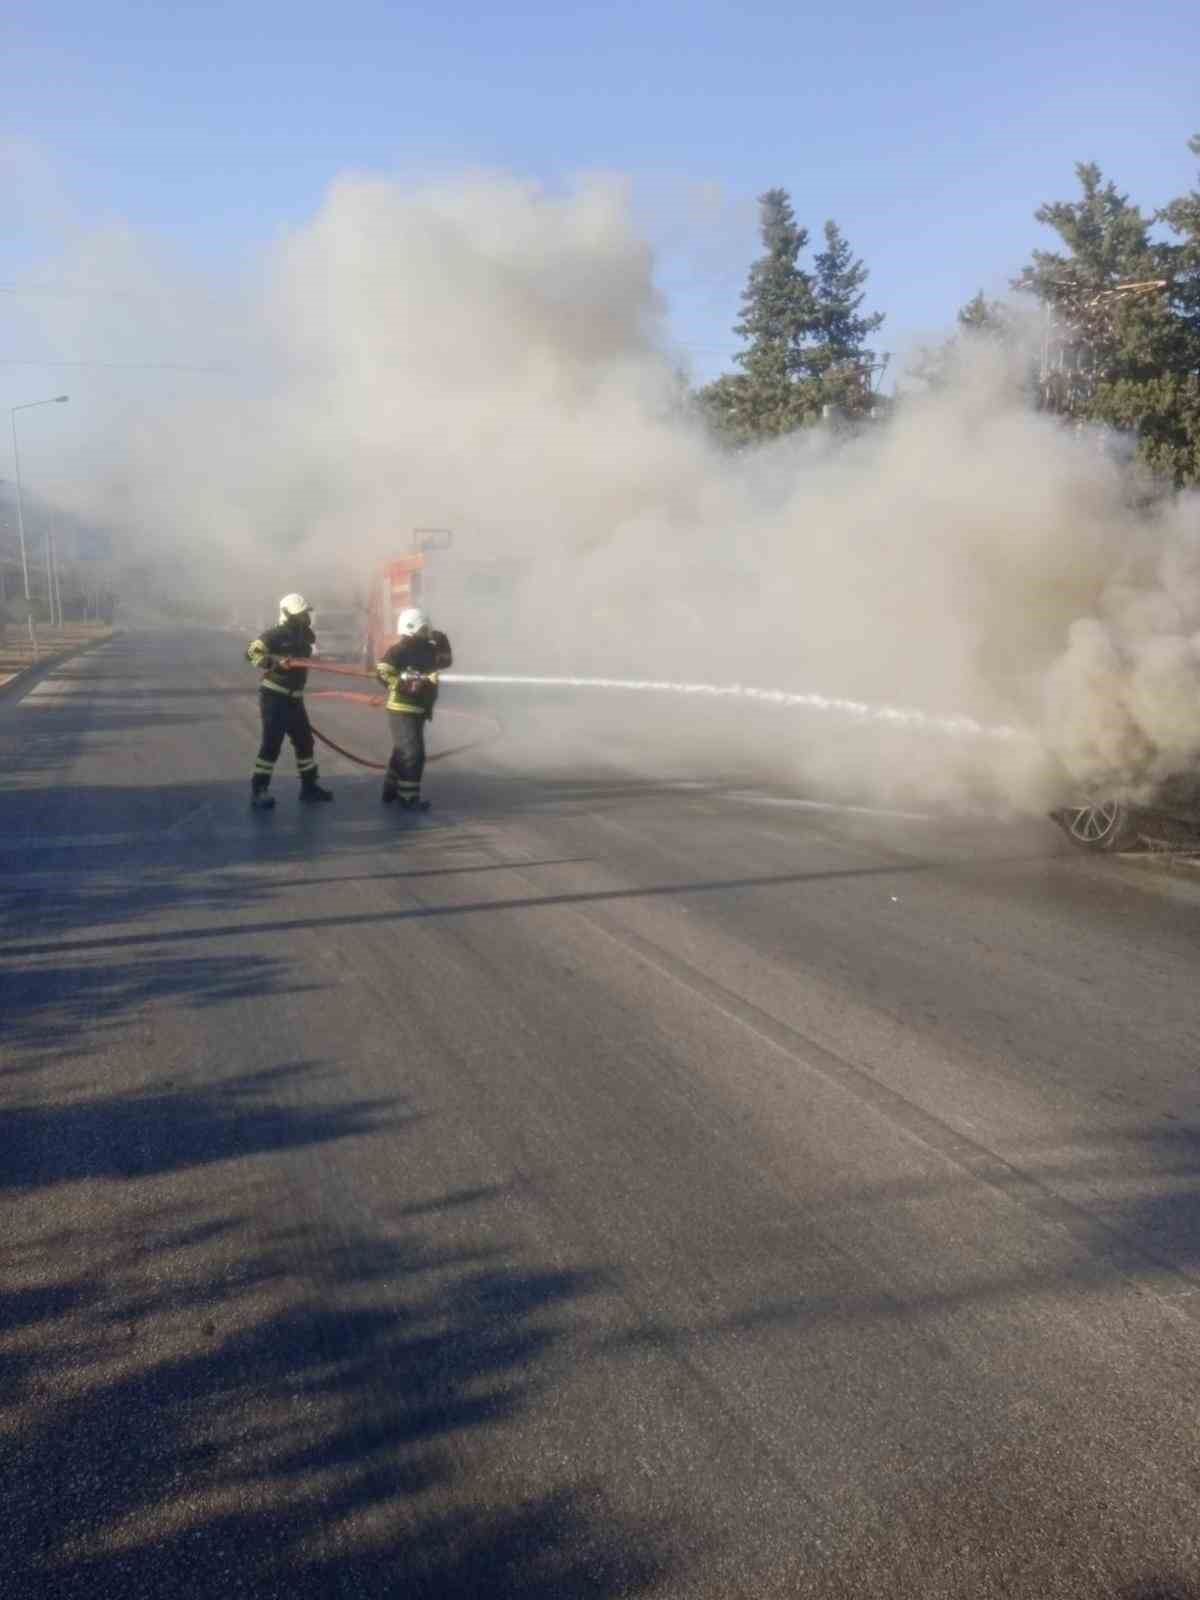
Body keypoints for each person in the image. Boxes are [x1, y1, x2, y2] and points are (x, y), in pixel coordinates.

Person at [244, 593, 334, 809]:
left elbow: (310, 649)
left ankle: (309, 788)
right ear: (287, 614)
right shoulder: (275, 635)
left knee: (305, 742)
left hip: (294, 698)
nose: (305, 618)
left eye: (305, 614)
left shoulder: (303, 637)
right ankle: (259, 791)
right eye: (300, 615)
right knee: (272, 745)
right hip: (275, 697)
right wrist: (274, 663)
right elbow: (251, 653)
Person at [375, 607, 453, 810]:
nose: (426, 633)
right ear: (410, 629)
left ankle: (390, 790)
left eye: (427, 630)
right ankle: (408, 798)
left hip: (419, 710)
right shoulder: (399, 650)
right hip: (401, 708)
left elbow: (445, 661)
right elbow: (382, 672)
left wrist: (443, 642)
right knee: (413, 753)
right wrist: (402, 684)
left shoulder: (428, 650)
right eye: (423, 629)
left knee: (402, 751)